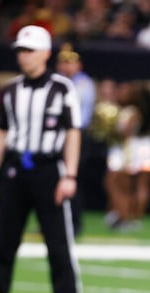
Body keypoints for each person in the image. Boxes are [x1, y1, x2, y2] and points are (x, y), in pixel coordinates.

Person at [0, 25, 83, 293]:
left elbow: (73, 132)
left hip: (49, 171)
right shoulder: (10, 90)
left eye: (29, 50)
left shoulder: (62, 88)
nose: (24, 56)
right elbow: (1, 133)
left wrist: (70, 175)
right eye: (20, 50)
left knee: (59, 249)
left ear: (46, 53)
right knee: (4, 247)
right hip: (16, 171)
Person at [104, 81, 150, 230]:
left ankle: (126, 216)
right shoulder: (143, 109)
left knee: (122, 184)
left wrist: (108, 130)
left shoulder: (131, 111)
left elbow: (125, 133)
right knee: (139, 185)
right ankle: (132, 217)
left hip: (132, 150)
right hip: (146, 148)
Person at [56, 43, 96, 236]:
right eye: (63, 62)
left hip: (78, 135)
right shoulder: (58, 83)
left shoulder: (83, 84)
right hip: (57, 135)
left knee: (73, 178)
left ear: (78, 65)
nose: (66, 67)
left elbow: (70, 104)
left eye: (70, 63)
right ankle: (53, 220)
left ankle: (74, 223)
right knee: (53, 178)